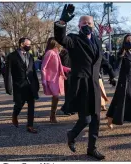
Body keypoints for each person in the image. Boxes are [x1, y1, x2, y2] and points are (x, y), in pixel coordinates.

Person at [54, 4, 116, 160]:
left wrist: (111, 74)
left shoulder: (97, 40)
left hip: (94, 84)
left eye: (89, 23)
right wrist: (62, 22)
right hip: (81, 85)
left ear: (93, 25)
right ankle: (72, 134)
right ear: (79, 25)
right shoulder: (74, 39)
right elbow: (60, 38)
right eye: (84, 23)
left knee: (96, 118)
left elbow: (101, 60)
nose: (86, 26)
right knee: (85, 119)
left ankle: (92, 148)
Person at [106, 34, 131, 136]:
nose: (130, 42)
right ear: (124, 42)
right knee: (118, 102)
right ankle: (110, 119)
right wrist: (113, 76)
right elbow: (117, 67)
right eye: (128, 40)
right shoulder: (121, 53)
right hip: (124, 81)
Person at [5, 38, 40, 134]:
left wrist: (36, 84)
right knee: (19, 104)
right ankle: (15, 115)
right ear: (21, 44)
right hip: (19, 85)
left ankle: (30, 125)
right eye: (28, 44)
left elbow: (32, 71)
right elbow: (7, 73)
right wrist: (8, 87)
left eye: (30, 44)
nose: (29, 46)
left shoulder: (30, 55)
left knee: (31, 105)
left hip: (30, 85)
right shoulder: (11, 56)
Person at [41, 37, 71, 123]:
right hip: (51, 79)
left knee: (56, 97)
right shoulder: (50, 53)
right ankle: (52, 115)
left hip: (57, 78)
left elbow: (59, 66)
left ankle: (52, 116)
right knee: (56, 97)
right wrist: (44, 80)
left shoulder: (56, 53)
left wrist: (68, 69)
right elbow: (43, 67)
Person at [59, 48, 75, 116]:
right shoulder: (66, 52)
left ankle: (66, 108)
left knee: (71, 93)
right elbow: (65, 64)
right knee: (69, 93)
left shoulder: (66, 51)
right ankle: (67, 109)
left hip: (70, 74)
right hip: (68, 74)